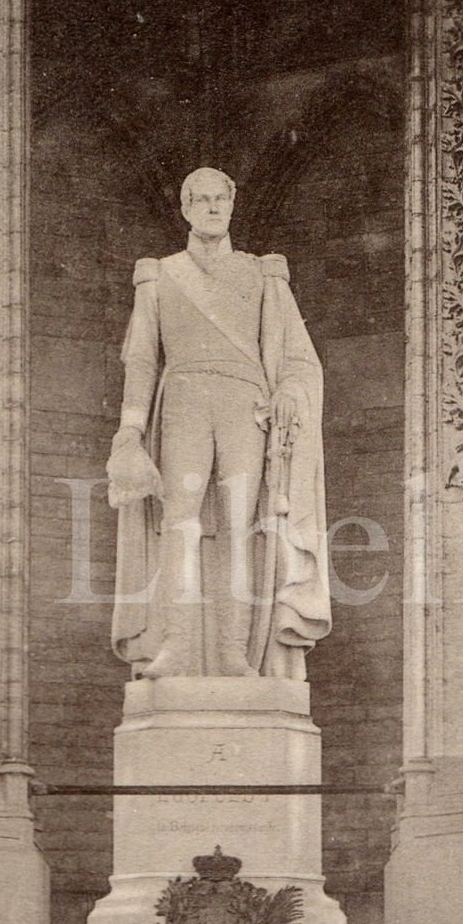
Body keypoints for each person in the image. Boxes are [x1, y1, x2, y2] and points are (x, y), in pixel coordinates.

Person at [107, 167, 330, 679]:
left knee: (238, 525)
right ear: (185, 208)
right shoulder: (159, 275)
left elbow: (295, 354)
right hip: (183, 398)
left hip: (243, 404)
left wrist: (291, 393)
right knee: (179, 522)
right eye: (201, 199)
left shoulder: (262, 274)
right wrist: (131, 430)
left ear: (232, 205)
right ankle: (180, 644)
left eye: (220, 199)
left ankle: (232, 649)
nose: (212, 208)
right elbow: (141, 358)